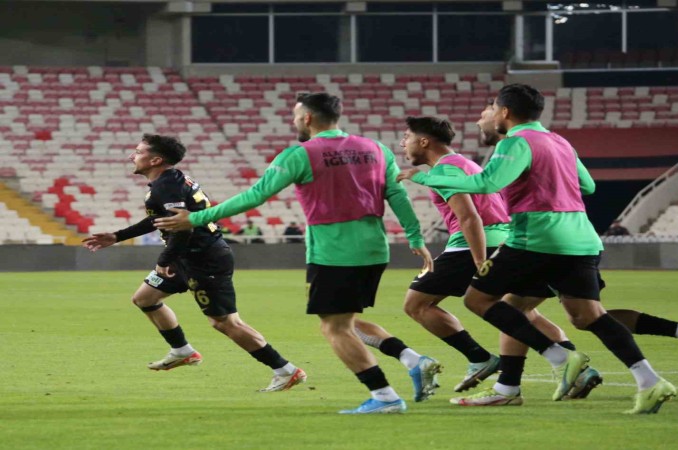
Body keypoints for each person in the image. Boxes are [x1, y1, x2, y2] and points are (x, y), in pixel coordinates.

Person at [398, 84, 678, 414]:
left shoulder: (515, 142)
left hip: (537, 237)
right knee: (585, 315)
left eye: (492, 108)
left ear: (505, 112)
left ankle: (560, 358)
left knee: (478, 299)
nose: (487, 115)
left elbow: (487, 183)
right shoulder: (559, 141)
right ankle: (648, 381)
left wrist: (422, 178)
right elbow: (587, 185)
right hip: (581, 238)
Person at [154, 93, 436, 414]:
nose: (293, 121)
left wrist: (196, 218)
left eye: (295, 116)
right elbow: (396, 193)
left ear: (307, 118)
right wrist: (415, 236)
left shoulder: (300, 154)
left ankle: (384, 396)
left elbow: (256, 195)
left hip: (334, 251)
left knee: (334, 327)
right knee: (342, 318)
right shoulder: (376, 149)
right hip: (374, 248)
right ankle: (412, 360)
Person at [391, 116, 602, 402]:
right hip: (504, 238)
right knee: (521, 311)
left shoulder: (446, 170)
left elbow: (469, 217)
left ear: (424, 141)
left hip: (472, 245)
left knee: (417, 304)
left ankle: (480, 358)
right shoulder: (465, 164)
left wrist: (481, 261)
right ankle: (579, 371)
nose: (403, 143)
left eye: (407, 137)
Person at [82, 134, 306, 392]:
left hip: (204, 258)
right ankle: (182, 351)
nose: (132, 156)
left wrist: (165, 260)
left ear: (156, 160)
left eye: (139, 151)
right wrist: (118, 236)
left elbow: (183, 227)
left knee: (225, 322)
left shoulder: (166, 185)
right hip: (186, 256)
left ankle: (285, 370)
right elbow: (162, 219)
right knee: (145, 298)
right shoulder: (170, 181)